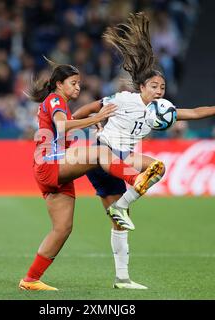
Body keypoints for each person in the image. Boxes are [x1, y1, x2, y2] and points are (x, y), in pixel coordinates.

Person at [72, 12, 215, 289]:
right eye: (154, 86)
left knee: (121, 220)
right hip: (104, 153)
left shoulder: (161, 111)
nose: (159, 91)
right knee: (153, 169)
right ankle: (122, 206)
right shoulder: (125, 99)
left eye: (162, 87)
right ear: (141, 87)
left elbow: (193, 112)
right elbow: (92, 108)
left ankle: (122, 278)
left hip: (122, 158)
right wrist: (74, 125)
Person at [18, 59, 164, 291]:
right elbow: (63, 126)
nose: (78, 88)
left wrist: (90, 127)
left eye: (79, 84)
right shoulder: (55, 100)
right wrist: (97, 118)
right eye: (73, 83)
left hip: (56, 170)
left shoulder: (58, 103)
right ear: (58, 84)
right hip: (49, 164)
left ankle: (31, 279)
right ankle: (135, 179)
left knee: (62, 228)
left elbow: (65, 130)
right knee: (99, 152)